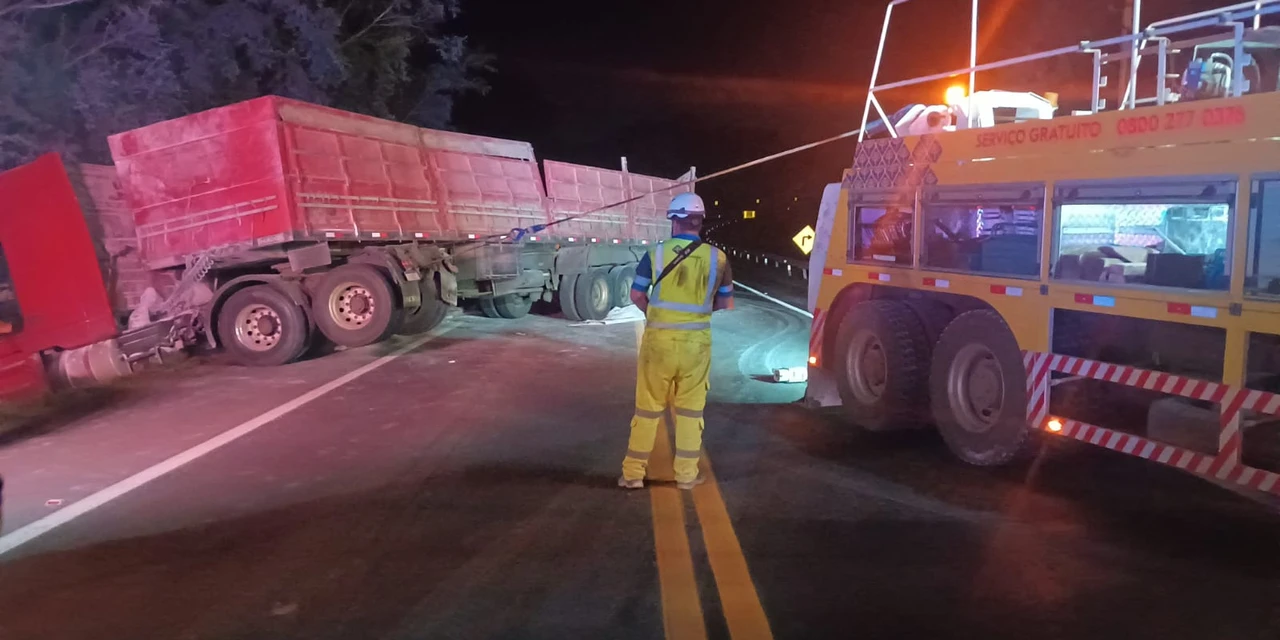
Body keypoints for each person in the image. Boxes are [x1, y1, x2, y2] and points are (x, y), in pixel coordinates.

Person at [619, 192, 734, 490]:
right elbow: (725, 302)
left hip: (659, 343)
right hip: (696, 345)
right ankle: (685, 476)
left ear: (674, 221)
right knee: (690, 412)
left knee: (648, 409)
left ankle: (633, 474)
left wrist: (655, 314)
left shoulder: (655, 254)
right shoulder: (719, 258)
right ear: (700, 222)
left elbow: (636, 294)